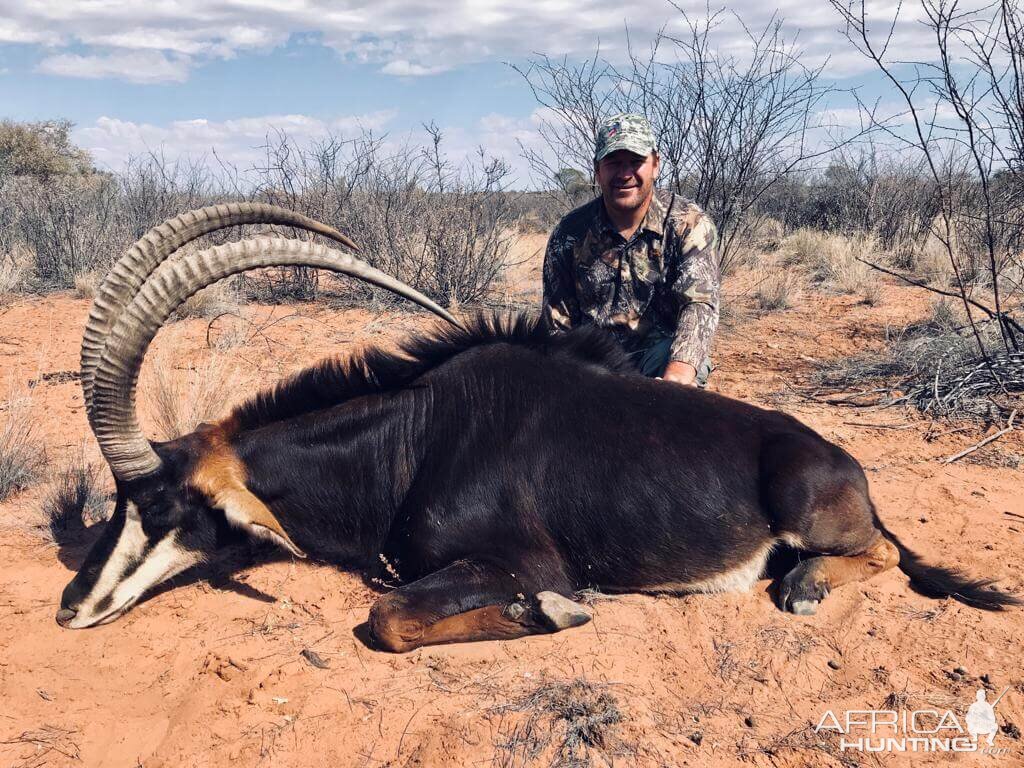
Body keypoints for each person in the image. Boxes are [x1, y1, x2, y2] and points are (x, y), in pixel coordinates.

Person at [541, 113, 720, 386]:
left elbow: (699, 304)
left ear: (655, 165)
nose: (625, 174)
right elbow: (557, 326)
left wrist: (679, 375)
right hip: (592, 366)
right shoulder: (569, 234)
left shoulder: (690, 223)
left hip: (661, 361)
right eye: (613, 163)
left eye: (636, 162)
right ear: (597, 170)